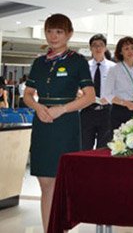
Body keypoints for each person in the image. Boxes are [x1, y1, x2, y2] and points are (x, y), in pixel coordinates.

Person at [23, 14, 95, 232]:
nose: (53, 36)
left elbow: (89, 96)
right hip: (42, 123)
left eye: (59, 32)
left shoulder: (77, 61)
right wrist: (38, 108)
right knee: (45, 183)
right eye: (49, 31)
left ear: (69, 34)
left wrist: (61, 109)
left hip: (66, 124)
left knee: (60, 182)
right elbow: (27, 94)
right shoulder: (39, 62)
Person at [104, 36, 133, 134]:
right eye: (126, 48)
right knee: (120, 144)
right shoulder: (114, 69)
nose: (130, 51)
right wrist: (125, 103)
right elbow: (108, 94)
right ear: (120, 51)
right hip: (120, 110)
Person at [81, 34, 116, 150]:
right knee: (85, 146)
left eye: (101, 45)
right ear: (90, 48)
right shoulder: (84, 67)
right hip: (87, 111)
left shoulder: (113, 68)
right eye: (95, 45)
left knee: (104, 148)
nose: (98, 48)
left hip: (106, 112)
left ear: (105, 48)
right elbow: (77, 86)